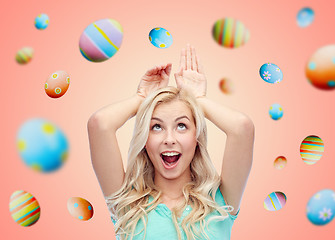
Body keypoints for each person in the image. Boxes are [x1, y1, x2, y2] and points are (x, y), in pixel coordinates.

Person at [87, 44, 255, 240]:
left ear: (196, 137)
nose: (169, 139)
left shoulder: (220, 201)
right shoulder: (127, 204)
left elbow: (242, 128)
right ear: (145, 139)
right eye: (156, 127)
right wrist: (141, 98)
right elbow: (99, 124)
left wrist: (197, 99)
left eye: (182, 126)